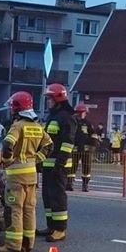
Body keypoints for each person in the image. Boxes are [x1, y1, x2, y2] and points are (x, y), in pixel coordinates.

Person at [0, 91, 53, 252]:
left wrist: (7, 160)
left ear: (16, 108)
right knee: (29, 209)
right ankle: (28, 243)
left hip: (17, 177)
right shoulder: (37, 126)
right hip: (32, 175)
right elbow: (49, 146)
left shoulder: (18, 126)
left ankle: (13, 245)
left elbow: (7, 144)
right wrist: (36, 159)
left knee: (15, 210)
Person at [37, 83, 76, 243]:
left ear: (58, 99)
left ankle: (60, 229)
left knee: (58, 196)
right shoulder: (52, 116)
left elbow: (68, 142)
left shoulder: (66, 117)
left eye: (49, 98)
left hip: (59, 165)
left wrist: (60, 163)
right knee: (48, 196)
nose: (48, 101)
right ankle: (51, 226)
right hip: (48, 164)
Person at [69, 104, 99, 192]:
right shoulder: (72, 123)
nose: (82, 114)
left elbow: (93, 135)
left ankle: (85, 185)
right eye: (81, 113)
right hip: (74, 149)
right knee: (72, 167)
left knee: (86, 167)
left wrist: (93, 145)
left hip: (86, 150)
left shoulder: (88, 123)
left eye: (84, 113)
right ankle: (69, 184)